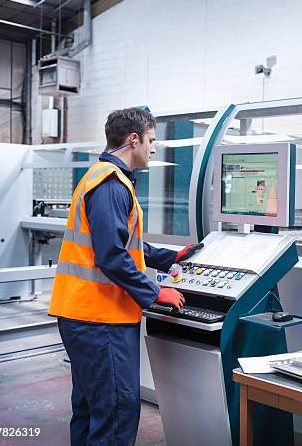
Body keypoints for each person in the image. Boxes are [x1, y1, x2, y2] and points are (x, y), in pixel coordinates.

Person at [48, 107, 201, 445]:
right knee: (117, 410)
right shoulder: (111, 185)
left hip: (83, 314)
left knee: (91, 408)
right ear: (134, 140)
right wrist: (154, 292)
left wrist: (169, 257)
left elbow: (122, 241)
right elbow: (111, 256)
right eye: (151, 140)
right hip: (100, 319)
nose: (154, 148)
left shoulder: (99, 176)